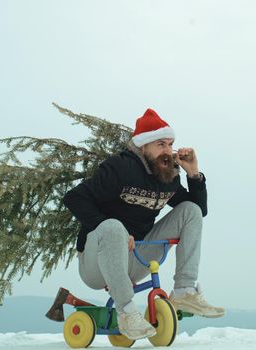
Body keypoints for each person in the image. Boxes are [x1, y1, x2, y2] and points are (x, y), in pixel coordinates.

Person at [62, 108, 225, 340]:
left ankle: (184, 291)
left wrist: (194, 175)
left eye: (170, 144)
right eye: (160, 144)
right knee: (113, 227)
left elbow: (199, 212)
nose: (168, 150)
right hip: (96, 264)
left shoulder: (167, 175)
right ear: (143, 146)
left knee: (191, 210)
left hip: (136, 258)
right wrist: (114, 231)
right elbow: (74, 198)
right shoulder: (120, 168)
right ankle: (127, 313)